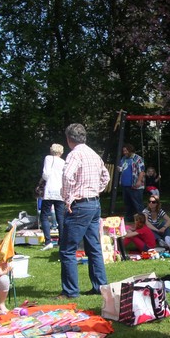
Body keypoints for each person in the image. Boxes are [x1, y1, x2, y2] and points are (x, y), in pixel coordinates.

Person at [59, 123, 111, 299]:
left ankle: (70, 291)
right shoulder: (93, 154)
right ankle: (100, 286)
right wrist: (96, 190)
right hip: (94, 204)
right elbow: (106, 176)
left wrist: (68, 198)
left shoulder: (75, 154)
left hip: (80, 205)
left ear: (69, 139)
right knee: (94, 247)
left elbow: (67, 176)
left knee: (67, 249)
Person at [40, 143, 66, 250]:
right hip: (60, 191)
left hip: (50, 190)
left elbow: (46, 174)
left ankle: (48, 241)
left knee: (44, 216)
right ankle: (62, 241)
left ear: (52, 150)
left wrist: (42, 181)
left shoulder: (48, 158)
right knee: (61, 217)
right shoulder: (64, 162)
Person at [117, 143, 145, 223]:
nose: (124, 152)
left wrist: (139, 181)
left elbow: (142, 171)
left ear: (130, 150)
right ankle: (129, 218)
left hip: (135, 185)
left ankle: (142, 219)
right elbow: (122, 168)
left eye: (126, 151)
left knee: (138, 204)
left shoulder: (137, 158)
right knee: (128, 204)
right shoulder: (123, 159)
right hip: (125, 185)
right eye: (123, 151)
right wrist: (119, 169)